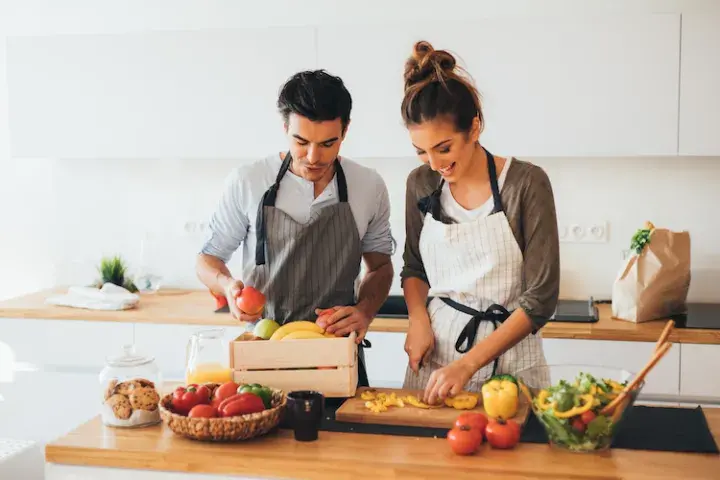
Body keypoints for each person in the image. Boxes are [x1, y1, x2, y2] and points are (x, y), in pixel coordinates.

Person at [196, 70, 395, 388]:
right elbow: (207, 260)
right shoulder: (249, 181)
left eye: (328, 143)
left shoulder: (368, 185)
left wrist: (366, 310)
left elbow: (381, 267)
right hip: (263, 355)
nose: (314, 157)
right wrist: (227, 286)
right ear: (285, 127)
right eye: (301, 142)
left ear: (346, 130)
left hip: (337, 356)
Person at [399, 41, 560, 405]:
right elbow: (414, 267)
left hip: (511, 361)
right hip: (434, 359)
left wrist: (467, 365)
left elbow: (541, 299)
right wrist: (417, 320)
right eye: (421, 151)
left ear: (474, 128)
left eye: (444, 148)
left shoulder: (525, 184)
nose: (434, 162)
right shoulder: (420, 183)